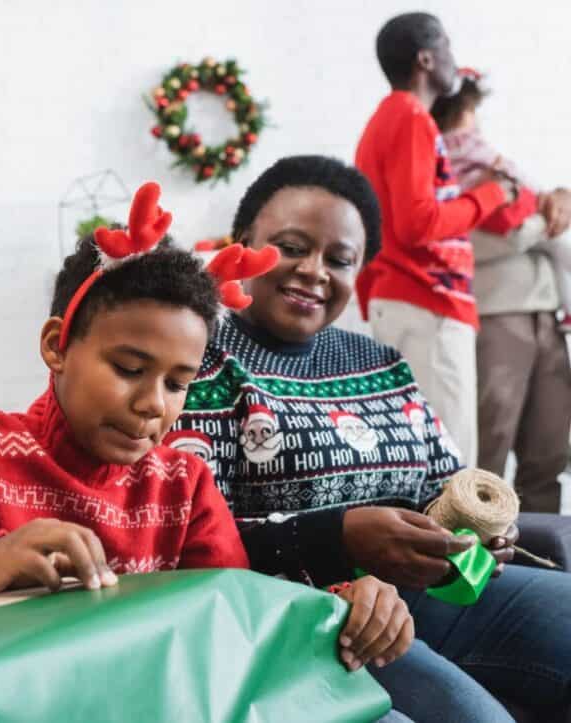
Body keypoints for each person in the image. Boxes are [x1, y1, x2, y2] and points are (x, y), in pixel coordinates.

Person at [0, 184, 414, 687]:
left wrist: (346, 607)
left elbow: (233, 615)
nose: (152, 405)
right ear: (56, 346)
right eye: (128, 369)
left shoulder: (183, 485)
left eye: (178, 383)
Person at [173, 155, 571, 722]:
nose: (315, 271)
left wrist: (484, 532)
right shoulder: (196, 361)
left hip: (432, 597)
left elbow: (446, 482)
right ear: (242, 246)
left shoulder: (379, 361)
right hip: (307, 617)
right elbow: (183, 540)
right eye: (290, 247)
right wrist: (338, 537)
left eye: (339, 259)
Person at [354, 12, 519, 467]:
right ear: (426, 58)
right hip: (427, 301)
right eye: (447, 46)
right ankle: (460, 542)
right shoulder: (410, 118)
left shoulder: (388, 119)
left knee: (421, 454)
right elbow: (417, 224)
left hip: (409, 298)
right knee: (451, 459)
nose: (454, 60)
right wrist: (492, 194)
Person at [430, 71, 571, 513]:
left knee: (548, 450)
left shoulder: (501, 171)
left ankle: (547, 565)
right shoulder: (443, 177)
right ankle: (483, 564)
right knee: (488, 454)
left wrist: (553, 202)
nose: (473, 129)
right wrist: (538, 225)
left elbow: (542, 220)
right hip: (495, 319)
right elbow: (481, 241)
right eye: (467, 115)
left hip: (547, 317)